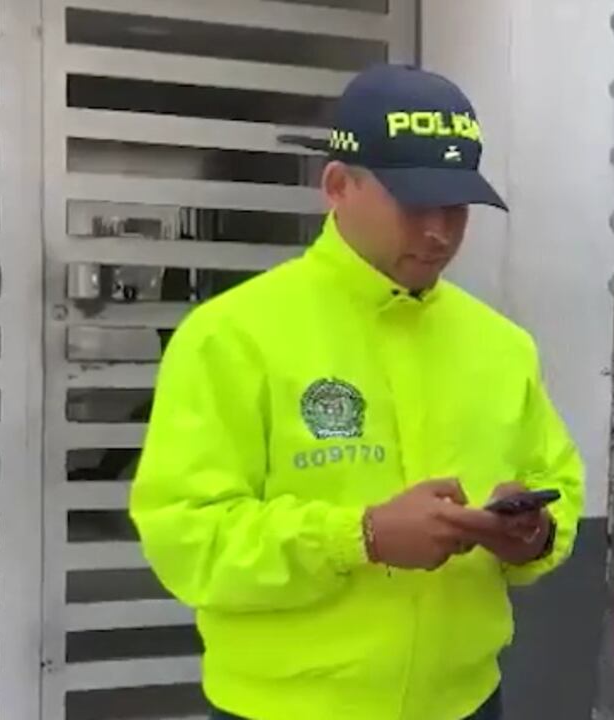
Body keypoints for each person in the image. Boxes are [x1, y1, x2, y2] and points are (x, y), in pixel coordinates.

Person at [130, 64, 585, 720]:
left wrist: (533, 533)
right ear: (339, 185)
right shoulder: (232, 336)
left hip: (465, 703)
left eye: (456, 207)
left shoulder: (501, 345)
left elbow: (556, 481)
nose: (440, 231)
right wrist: (361, 536)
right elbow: (188, 536)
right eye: (415, 203)